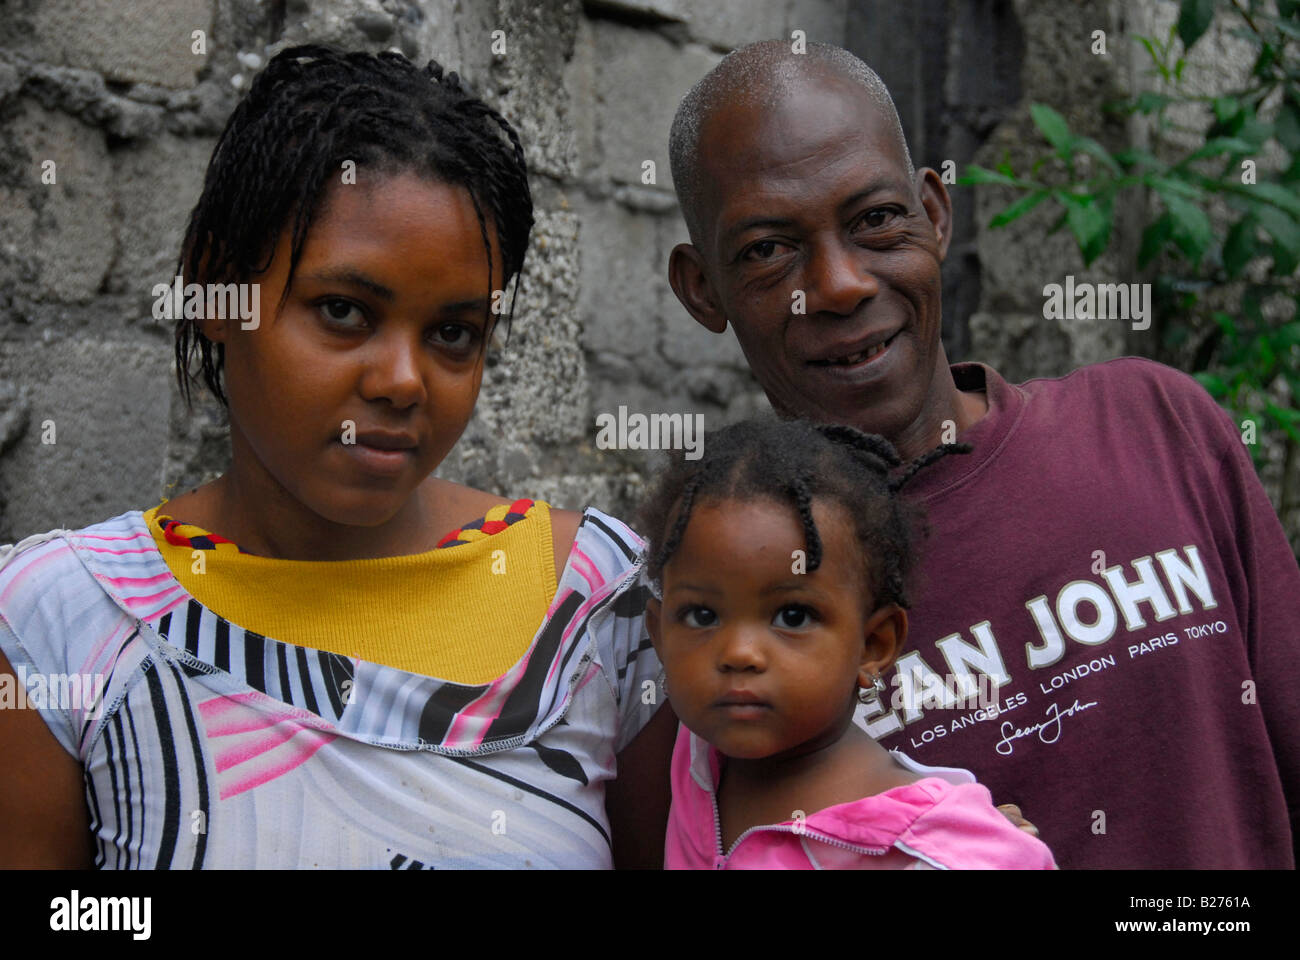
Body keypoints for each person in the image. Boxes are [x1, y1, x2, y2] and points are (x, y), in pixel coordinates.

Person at [0, 45, 674, 869]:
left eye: (453, 334)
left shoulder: (603, 606)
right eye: (345, 312)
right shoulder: (62, 626)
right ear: (217, 289)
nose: (402, 380)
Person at [663, 40, 1300, 868]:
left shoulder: (1155, 426)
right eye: (767, 250)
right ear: (702, 289)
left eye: (875, 220)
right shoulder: (722, 608)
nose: (842, 283)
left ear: (934, 213)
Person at [637, 417, 1055, 869]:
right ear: (660, 636)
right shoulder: (699, 757)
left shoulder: (931, 851)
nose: (738, 653)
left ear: (873, 645)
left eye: (792, 616)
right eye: (702, 616)